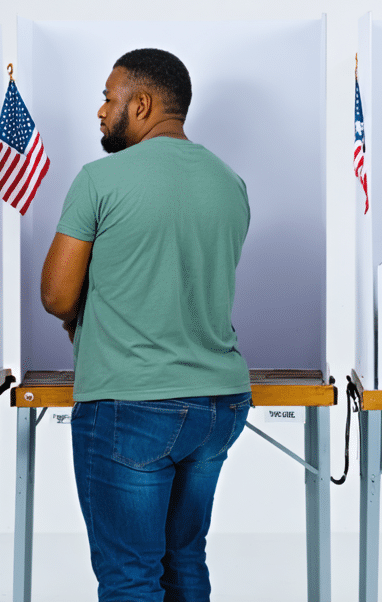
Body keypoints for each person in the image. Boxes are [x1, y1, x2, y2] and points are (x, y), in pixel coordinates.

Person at [40, 47, 252, 602]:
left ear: (141, 103)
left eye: (109, 99)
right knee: (184, 559)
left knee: (130, 575)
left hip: (131, 404)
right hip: (219, 402)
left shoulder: (99, 180)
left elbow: (56, 295)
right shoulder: (230, 182)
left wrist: (85, 314)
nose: (100, 111)